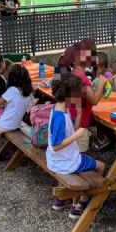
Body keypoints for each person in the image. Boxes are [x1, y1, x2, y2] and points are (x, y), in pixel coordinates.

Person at [47, 73, 106, 219]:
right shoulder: (59, 117)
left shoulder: (60, 109)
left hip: (58, 159)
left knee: (83, 162)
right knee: (101, 166)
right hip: (65, 161)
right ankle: (81, 204)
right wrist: (77, 135)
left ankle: (62, 200)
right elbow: (56, 145)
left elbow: (71, 129)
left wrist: (79, 115)